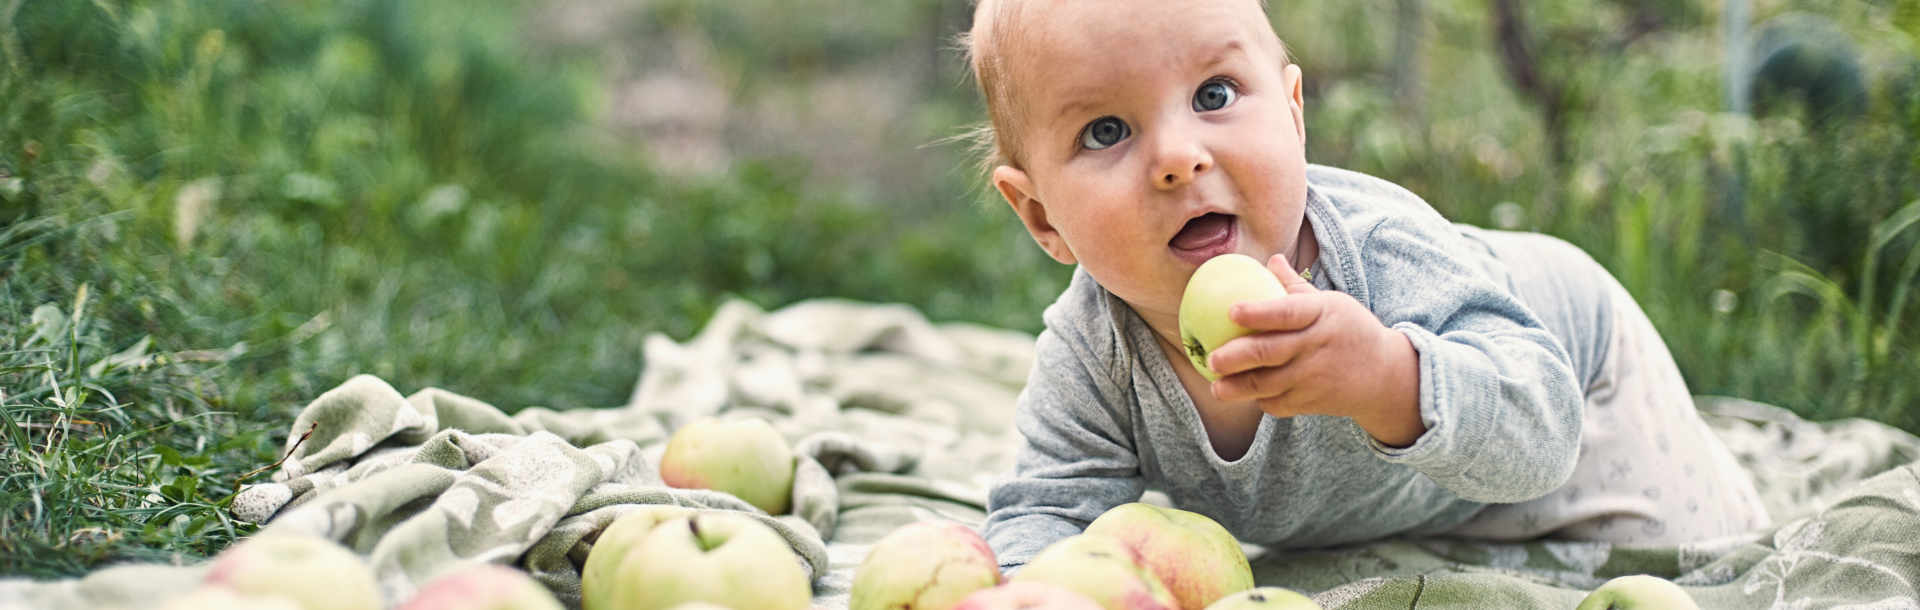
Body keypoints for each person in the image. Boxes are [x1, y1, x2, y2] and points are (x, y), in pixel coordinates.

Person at [963, 0, 1771, 571]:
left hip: (1573, 377)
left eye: (1215, 95)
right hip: (1414, 494)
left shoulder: (1380, 252)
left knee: (1703, 559)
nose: (1178, 155)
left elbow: (1542, 432)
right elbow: (1046, 511)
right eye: (1106, 130)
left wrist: (1389, 378)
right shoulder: (1095, 353)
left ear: (1293, 114)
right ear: (1041, 217)